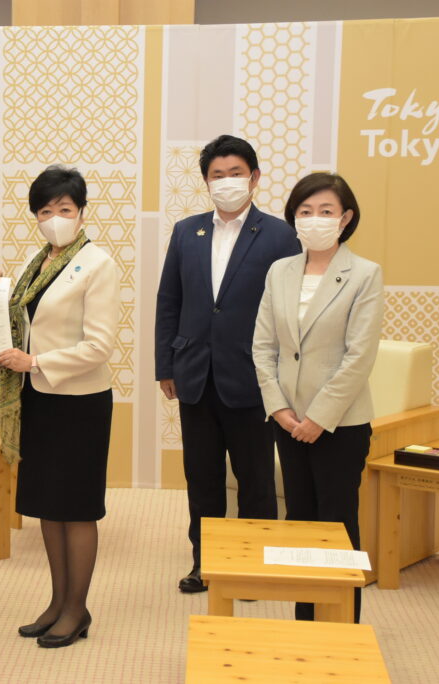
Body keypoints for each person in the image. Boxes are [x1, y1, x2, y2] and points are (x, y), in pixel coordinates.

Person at [154, 134, 301, 594]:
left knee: (255, 478)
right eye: (217, 175)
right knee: (202, 478)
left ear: (254, 178)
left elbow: (290, 310)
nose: (226, 182)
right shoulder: (187, 232)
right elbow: (169, 300)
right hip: (195, 374)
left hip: (254, 377)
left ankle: (253, 566)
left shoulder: (280, 235)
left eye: (235, 173)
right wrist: (165, 365)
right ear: (206, 182)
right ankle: (205, 562)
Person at [0, 165, 120, 648]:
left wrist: (36, 362)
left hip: (80, 402)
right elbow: (19, 317)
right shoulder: (36, 261)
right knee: (48, 504)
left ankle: (77, 609)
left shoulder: (98, 264)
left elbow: (99, 346)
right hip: (39, 399)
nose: (55, 218)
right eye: (45, 211)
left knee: (77, 508)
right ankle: (57, 601)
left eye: (64, 208)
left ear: (81, 212)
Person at [252, 172, 383, 623]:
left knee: (338, 524)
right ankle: (306, 622)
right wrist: (279, 409)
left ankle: (342, 627)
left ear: (345, 218)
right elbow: (263, 346)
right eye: (305, 211)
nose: (314, 219)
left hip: (340, 424)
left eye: (326, 211)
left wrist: (319, 418)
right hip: (288, 421)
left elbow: (359, 356)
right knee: (301, 522)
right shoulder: (280, 271)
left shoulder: (364, 274)